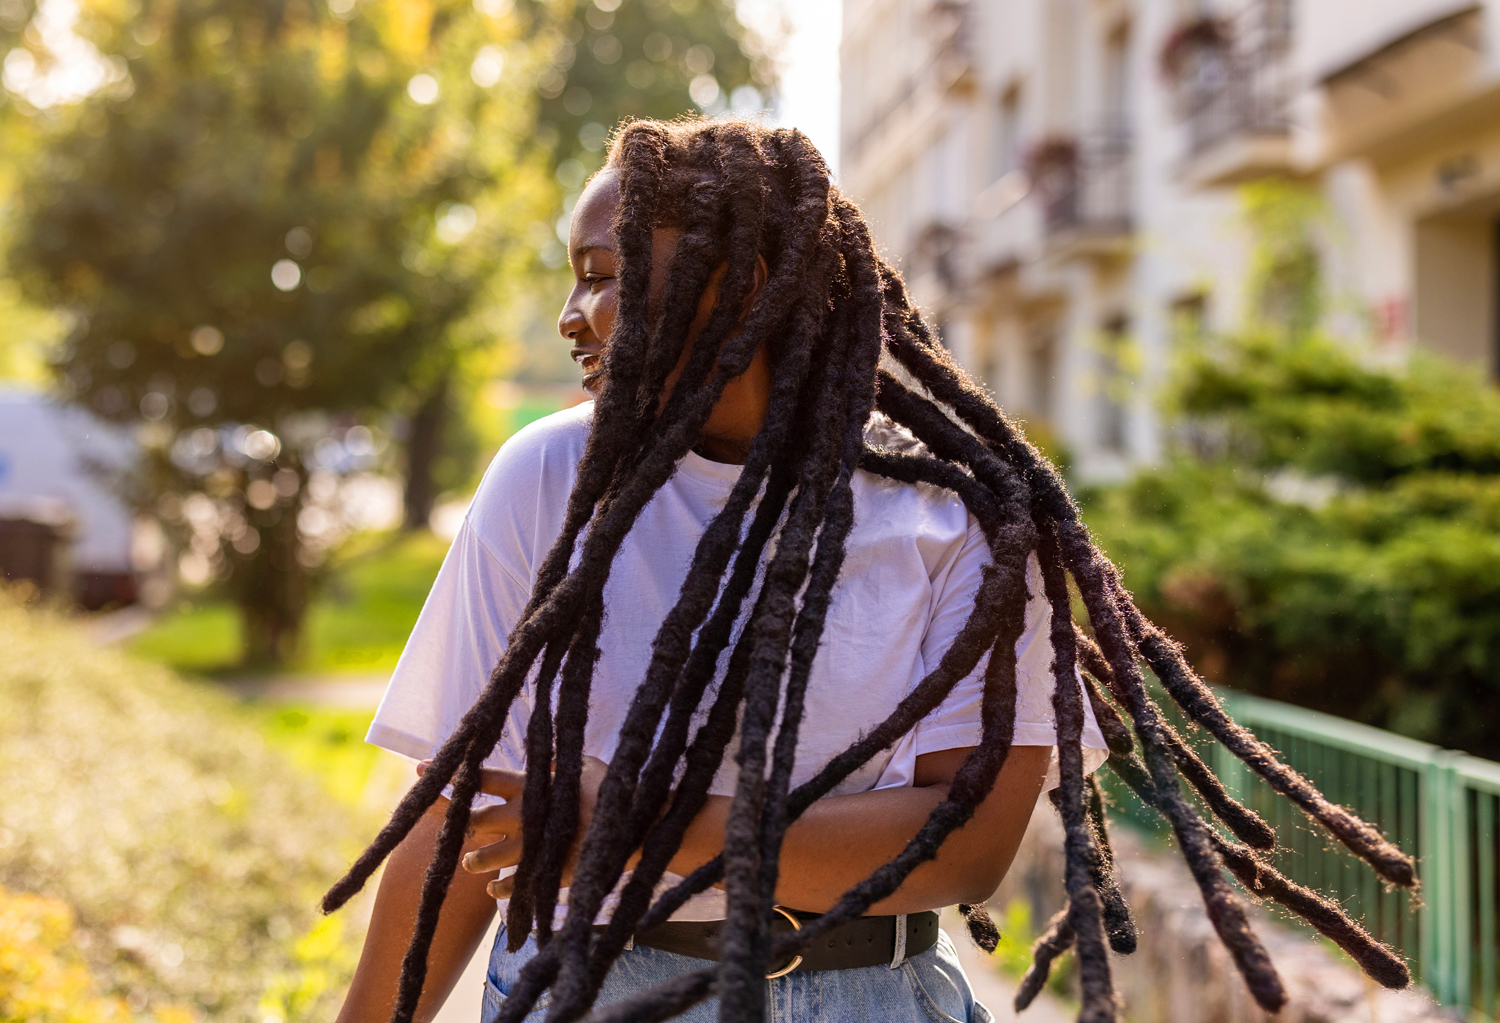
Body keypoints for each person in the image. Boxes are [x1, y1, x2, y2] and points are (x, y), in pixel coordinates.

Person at [331, 119, 1415, 1023]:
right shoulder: (544, 481)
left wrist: (631, 819)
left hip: (871, 994)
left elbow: (964, 846)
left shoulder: (968, 517)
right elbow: (458, 811)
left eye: (602, 279)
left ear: (738, 286)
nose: (571, 318)